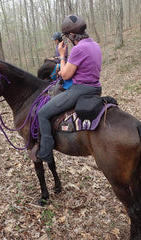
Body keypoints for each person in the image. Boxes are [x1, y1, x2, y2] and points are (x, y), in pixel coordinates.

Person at [37, 15, 102, 163]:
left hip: (79, 90)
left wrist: (61, 56)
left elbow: (66, 76)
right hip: (96, 88)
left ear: (72, 35)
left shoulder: (78, 49)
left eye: (67, 37)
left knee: (42, 114)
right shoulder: (95, 45)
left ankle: (46, 152)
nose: (66, 40)